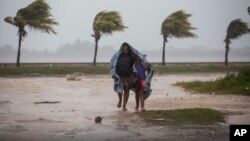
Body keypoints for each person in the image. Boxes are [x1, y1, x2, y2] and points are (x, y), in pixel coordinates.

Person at [114, 42, 134, 111]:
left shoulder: (131, 56)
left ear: (128, 50)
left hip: (128, 76)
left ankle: (124, 106)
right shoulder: (119, 56)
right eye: (124, 49)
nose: (125, 50)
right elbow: (114, 63)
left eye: (126, 49)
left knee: (126, 90)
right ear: (122, 49)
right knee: (119, 90)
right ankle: (120, 100)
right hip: (119, 76)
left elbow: (136, 62)